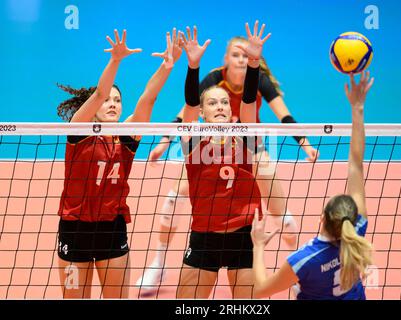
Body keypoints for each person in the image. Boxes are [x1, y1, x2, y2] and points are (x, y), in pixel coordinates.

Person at [136, 29, 319, 292]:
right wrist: (192, 66)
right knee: (173, 199)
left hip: (248, 143)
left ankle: (299, 271)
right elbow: (187, 110)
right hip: (207, 159)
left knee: (283, 214)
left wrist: (306, 144)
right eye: (237, 55)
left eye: (246, 56)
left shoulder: (253, 101)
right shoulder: (208, 94)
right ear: (226, 59)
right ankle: (158, 263)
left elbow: (278, 114)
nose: (241, 60)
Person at [56, 29, 182, 298]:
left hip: (112, 229)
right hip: (74, 229)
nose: (112, 104)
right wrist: (115, 61)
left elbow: (147, 99)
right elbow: (100, 93)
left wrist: (167, 66)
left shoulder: (127, 137)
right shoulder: (78, 131)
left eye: (118, 100)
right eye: (108, 101)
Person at [250, 71, 374, 300]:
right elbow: (356, 164)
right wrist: (358, 108)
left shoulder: (304, 260)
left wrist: (257, 247)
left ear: (323, 218)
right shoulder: (357, 233)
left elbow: (259, 291)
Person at [168, 21, 269, 298]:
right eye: (213, 103)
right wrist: (193, 66)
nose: (221, 107)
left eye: (224, 102)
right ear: (203, 112)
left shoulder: (245, 136)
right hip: (204, 235)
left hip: (242, 235)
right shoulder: (193, 141)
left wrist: (254, 62)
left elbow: (249, 102)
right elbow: (189, 105)